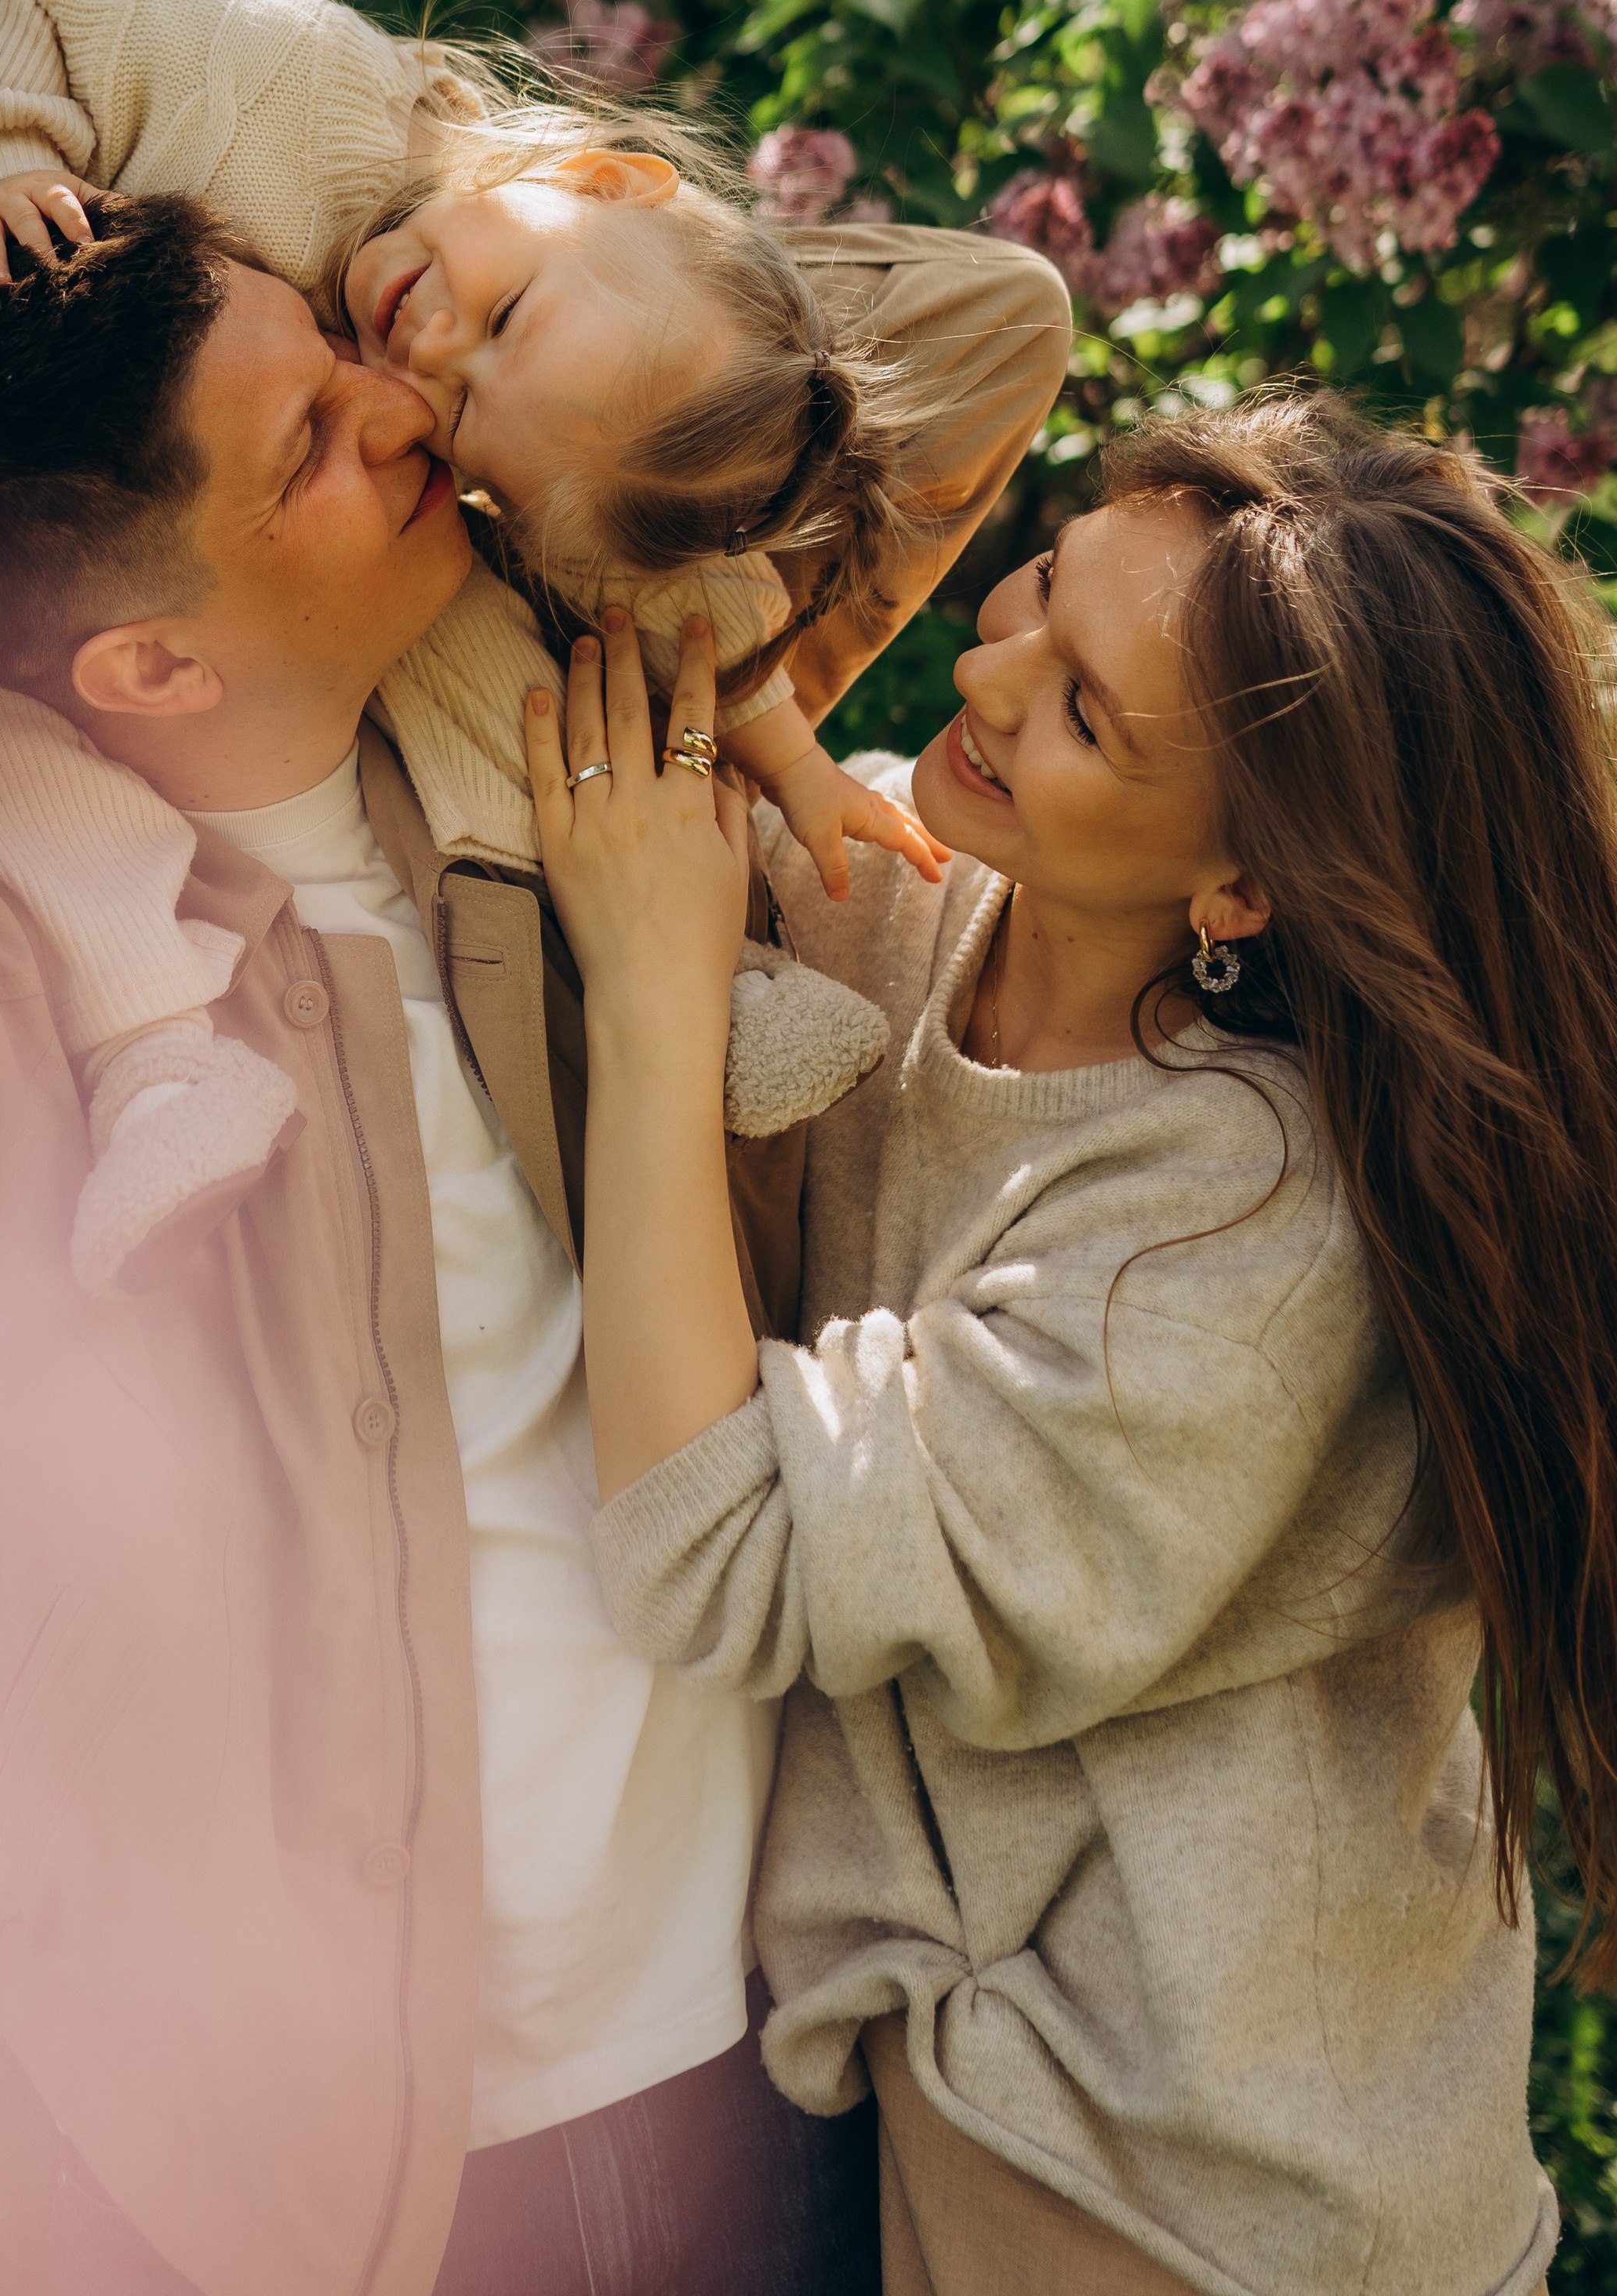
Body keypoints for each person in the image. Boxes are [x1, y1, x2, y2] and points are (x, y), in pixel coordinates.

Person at [0, 186, 1055, 2296]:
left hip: (761, 2064)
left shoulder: (603, 713)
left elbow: (976, 324)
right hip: (334, 2179)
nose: (407, 410)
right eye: (311, 439)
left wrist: (427, 220)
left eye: (356, 360)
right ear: (148, 656)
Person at [526, 388, 1604, 2296]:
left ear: (1243, 886)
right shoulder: (908, 902)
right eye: (1034, 580)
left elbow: (713, 1548)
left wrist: (656, 992)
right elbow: (930, 318)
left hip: (1196, 2208)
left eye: (1087, 709)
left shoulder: (1240, 1243)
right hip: (968, 2129)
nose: (989, 664)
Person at [0, 0, 1066, 1288]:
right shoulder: (295, 87)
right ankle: (150, 1048)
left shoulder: (482, 461)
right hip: (62, 518)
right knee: (5, 765)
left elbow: (705, 571)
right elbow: (28, 1)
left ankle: (724, 977)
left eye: (475, 412)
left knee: (551, 682)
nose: (427, 354)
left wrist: (791, 761)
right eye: (507, 308)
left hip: (411, 629)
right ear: (603, 174)